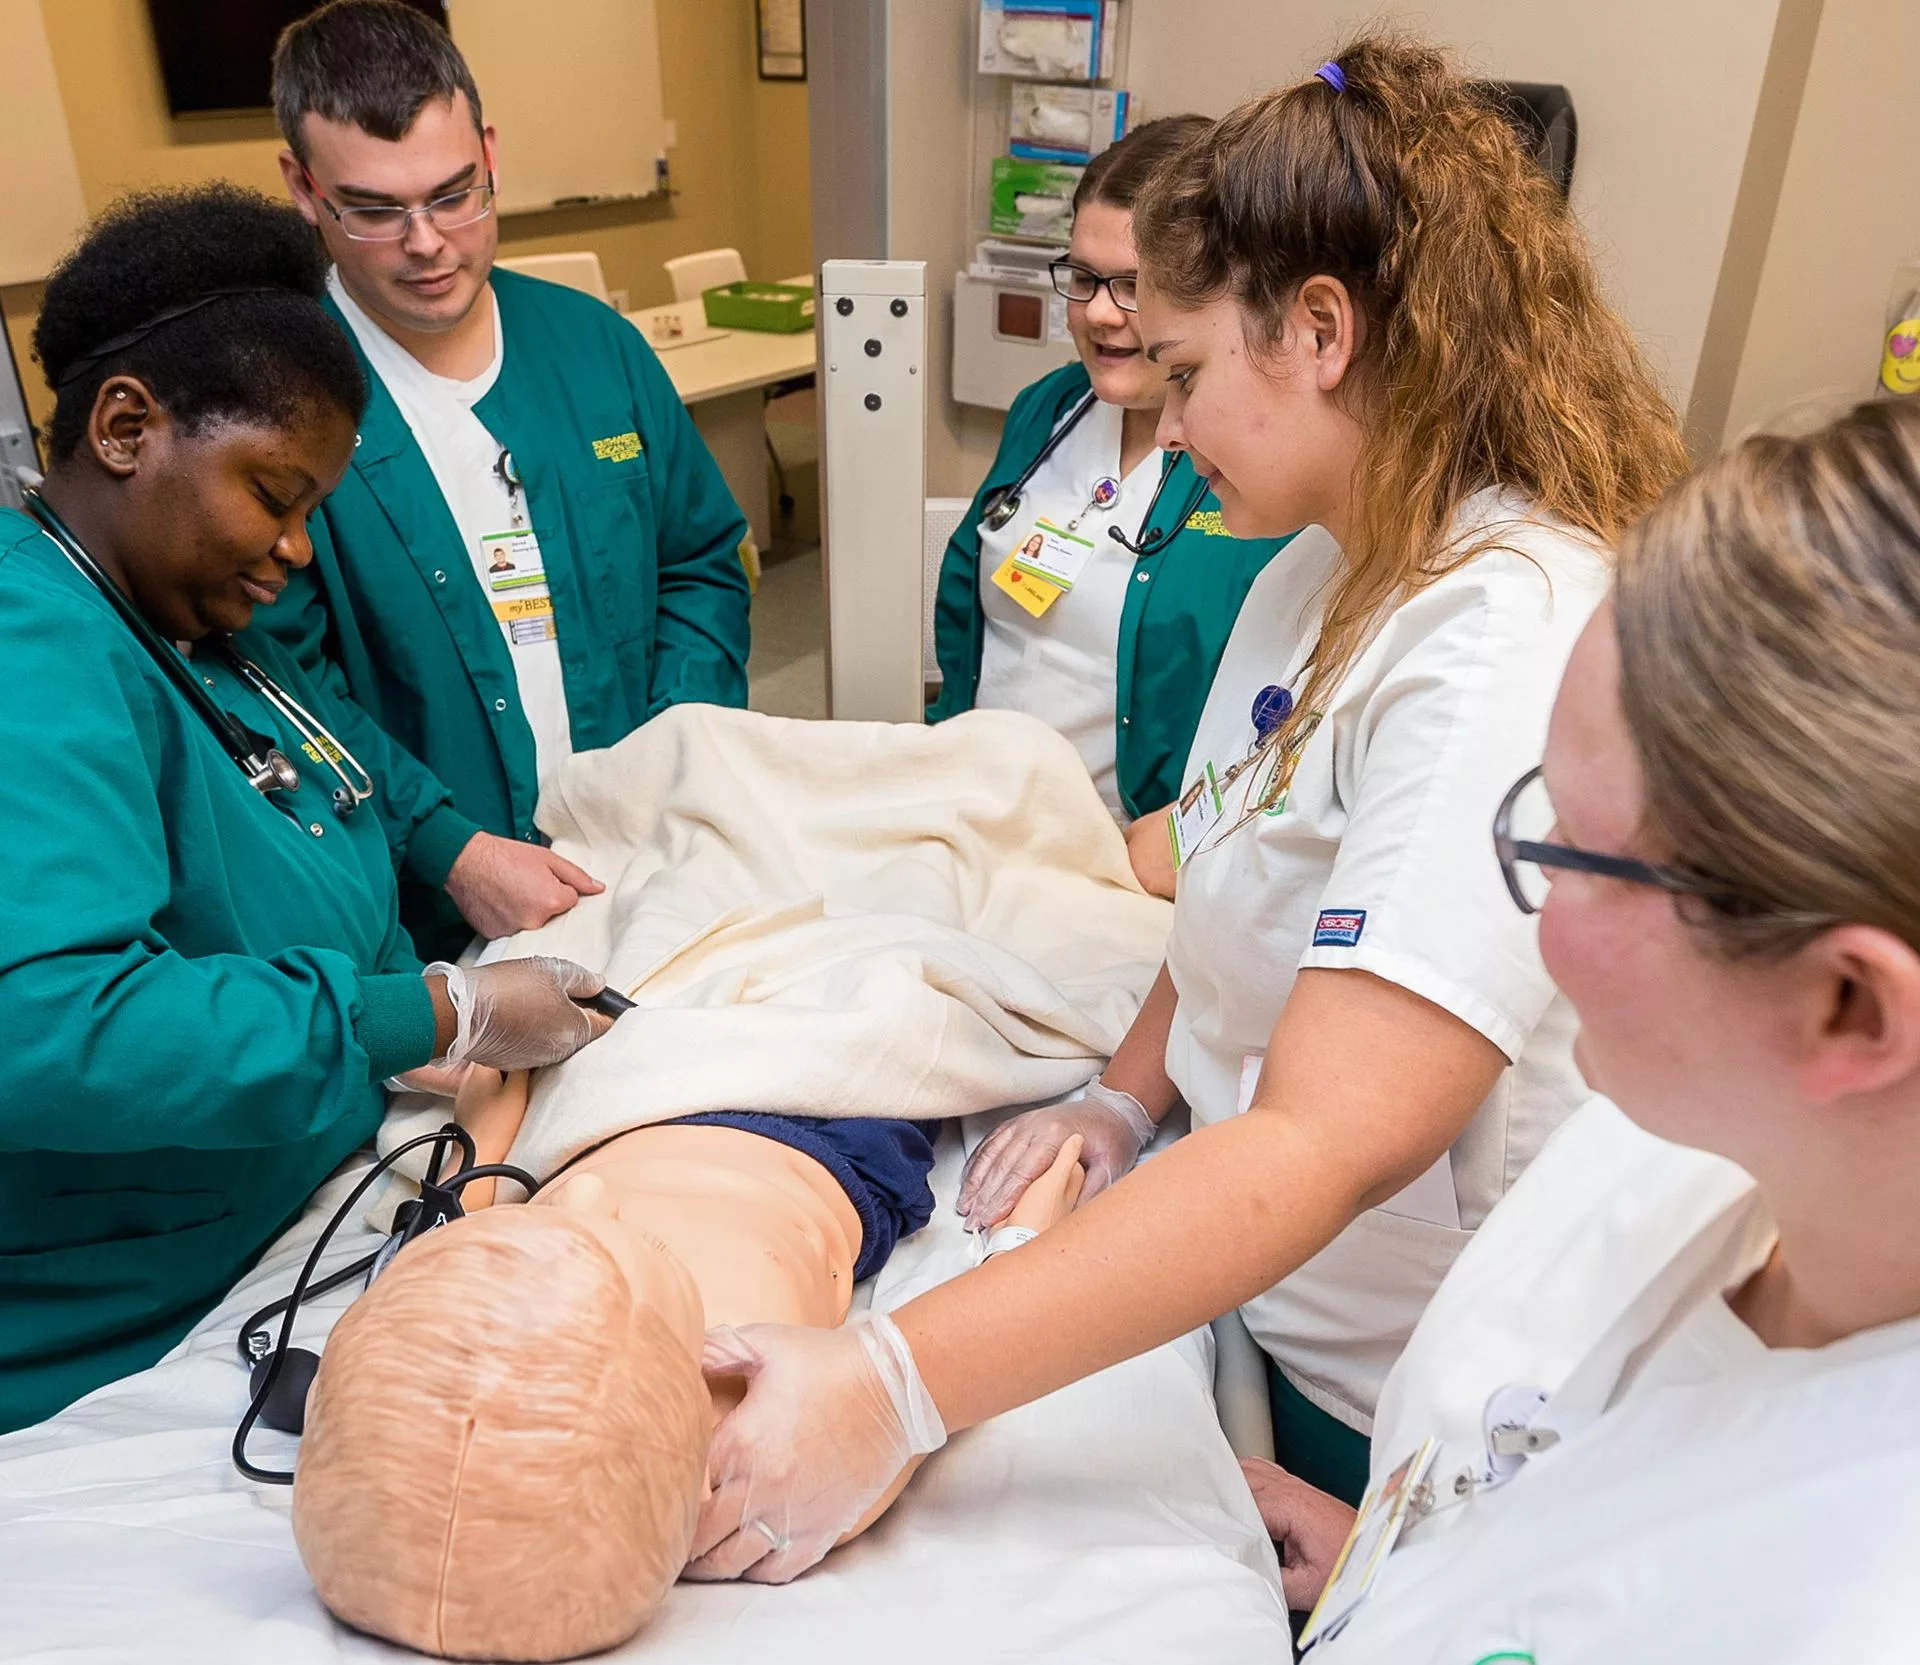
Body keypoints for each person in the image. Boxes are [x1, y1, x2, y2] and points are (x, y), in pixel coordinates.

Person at [683, 35, 1690, 1584]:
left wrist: (894, 1388)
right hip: (1248, 1312)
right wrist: (1127, 1095)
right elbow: (1231, 874)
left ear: (1322, 333)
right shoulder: (1313, 571)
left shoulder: (1506, 638)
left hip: (1399, 1382)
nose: (1162, 410)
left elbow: (1323, 1143)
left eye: (1190, 369)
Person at [1247, 400, 1920, 1658]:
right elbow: (1587, 1497)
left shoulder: (1856, 1605)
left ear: (1851, 1005)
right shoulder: (1674, 1148)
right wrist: (1407, 1577)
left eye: (1580, 852)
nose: (1533, 900)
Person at [0, 184, 614, 1437]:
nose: (292, 550)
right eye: (273, 497)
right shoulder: (36, 651)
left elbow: (332, 781)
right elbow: (49, 1026)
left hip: (304, 1196)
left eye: (312, 514)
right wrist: (431, 1008)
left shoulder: (190, 626)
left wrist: (430, 939)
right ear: (127, 426)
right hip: (124, 1311)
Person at [258, 0, 753, 962]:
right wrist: (448, 847)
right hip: (429, 918)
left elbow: (697, 562)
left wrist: (668, 757)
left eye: (455, 194)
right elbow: (280, 684)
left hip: (649, 862)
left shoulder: (596, 350)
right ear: (302, 188)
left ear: (489, 151)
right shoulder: (276, 405)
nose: (428, 242)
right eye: (374, 210)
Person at [292, 1068, 1079, 1660]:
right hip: (832, 1142)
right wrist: (1026, 1237)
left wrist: (504, 1069)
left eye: (546, 1225)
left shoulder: (431, 1336)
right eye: (605, 1246)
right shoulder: (755, 1461)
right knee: (884, 985)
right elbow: (944, 1378)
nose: (586, 1200)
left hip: (621, 1099)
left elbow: (470, 1178)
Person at [928, 116, 1293, 897]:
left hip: (1115, 865)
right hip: (968, 816)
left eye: (1131, 285)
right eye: (1084, 278)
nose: (1098, 312)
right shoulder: (1048, 408)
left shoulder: (1256, 471)